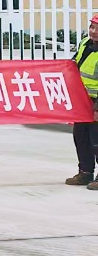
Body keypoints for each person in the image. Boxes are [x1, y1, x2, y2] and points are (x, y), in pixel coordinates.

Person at [66, 15, 98, 189]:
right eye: (92, 27)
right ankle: (85, 172)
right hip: (81, 100)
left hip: (96, 102)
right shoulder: (85, 43)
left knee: (96, 140)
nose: (94, 32)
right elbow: (74, 63)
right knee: (81, 137)